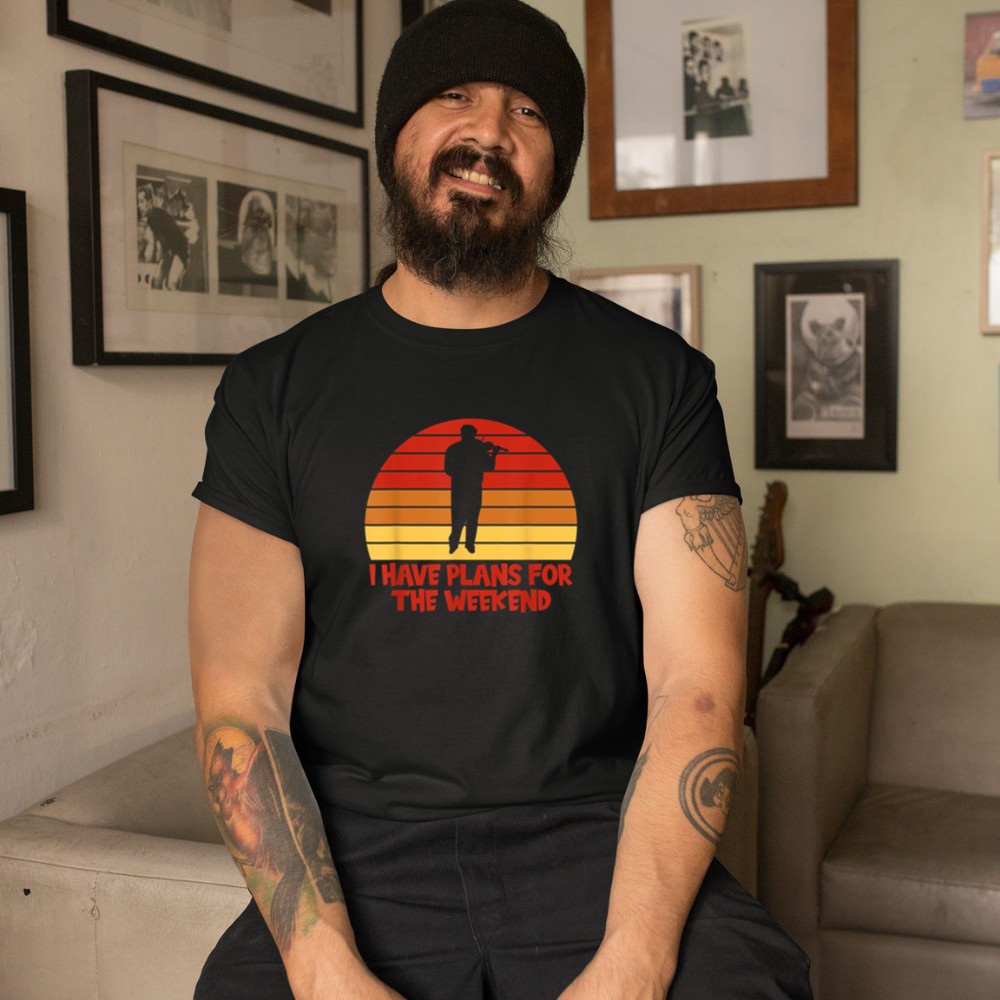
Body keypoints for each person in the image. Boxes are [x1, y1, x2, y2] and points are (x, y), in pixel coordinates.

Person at [188, 2, 813, 999]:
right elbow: (241, 700)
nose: (488, 132)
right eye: (453, 97)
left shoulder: (661, 381)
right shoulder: (272, 390)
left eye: (527, 111)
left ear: (555, 169)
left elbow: (696, 686)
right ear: (395, 137)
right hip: (359, 850)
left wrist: (635, 960)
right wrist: (321, 966)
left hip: (597, 836)